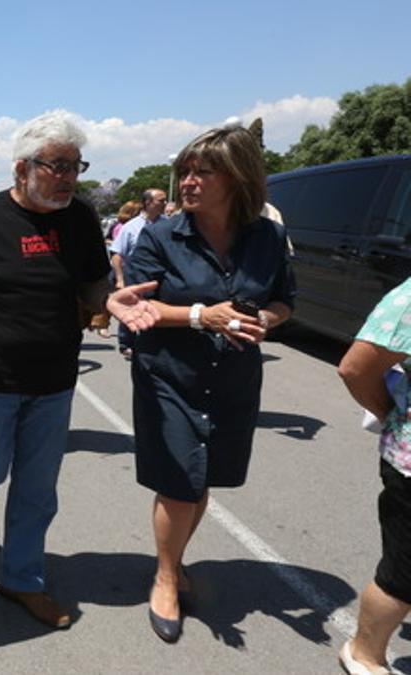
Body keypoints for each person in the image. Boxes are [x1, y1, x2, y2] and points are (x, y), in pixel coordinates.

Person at [0, 110, 159, 630]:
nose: (70, 178)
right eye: (58, 166)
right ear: (21, 169)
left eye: (76, 167)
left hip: (54, 379)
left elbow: (95, 283)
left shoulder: (77, 220)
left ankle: (21, 578)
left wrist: (109, 303)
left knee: (37, 487)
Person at [124, 125, 295, 643]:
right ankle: (165, 578)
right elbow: (140, 306)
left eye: (203, 171)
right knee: (179, 484)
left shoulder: (268, 236)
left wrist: (266, 320)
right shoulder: (160, 235)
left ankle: (174, 564)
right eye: (185, 172)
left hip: (234, 378)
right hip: (170, 376)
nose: (188, 182)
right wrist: (202, 315)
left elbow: (286, 299)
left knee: (203, 480)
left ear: (237, 176)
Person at [337, 281, 411, 675]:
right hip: (410, 461)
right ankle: (364, 653)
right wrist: (391, 415)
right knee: (404, 574)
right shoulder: (408, 300)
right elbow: (355, 369)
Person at [110, 189, 168, 358]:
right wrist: (120, 279)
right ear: (148, 203)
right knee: (131, 308)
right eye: (160, 200)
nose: (165, 204)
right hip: (135, 275)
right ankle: (126, 342)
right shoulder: (131, 227)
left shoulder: (168, 225)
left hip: (159, 277)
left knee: (153, 310)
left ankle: (152, 342)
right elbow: (117, 254)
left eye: (165, 201)